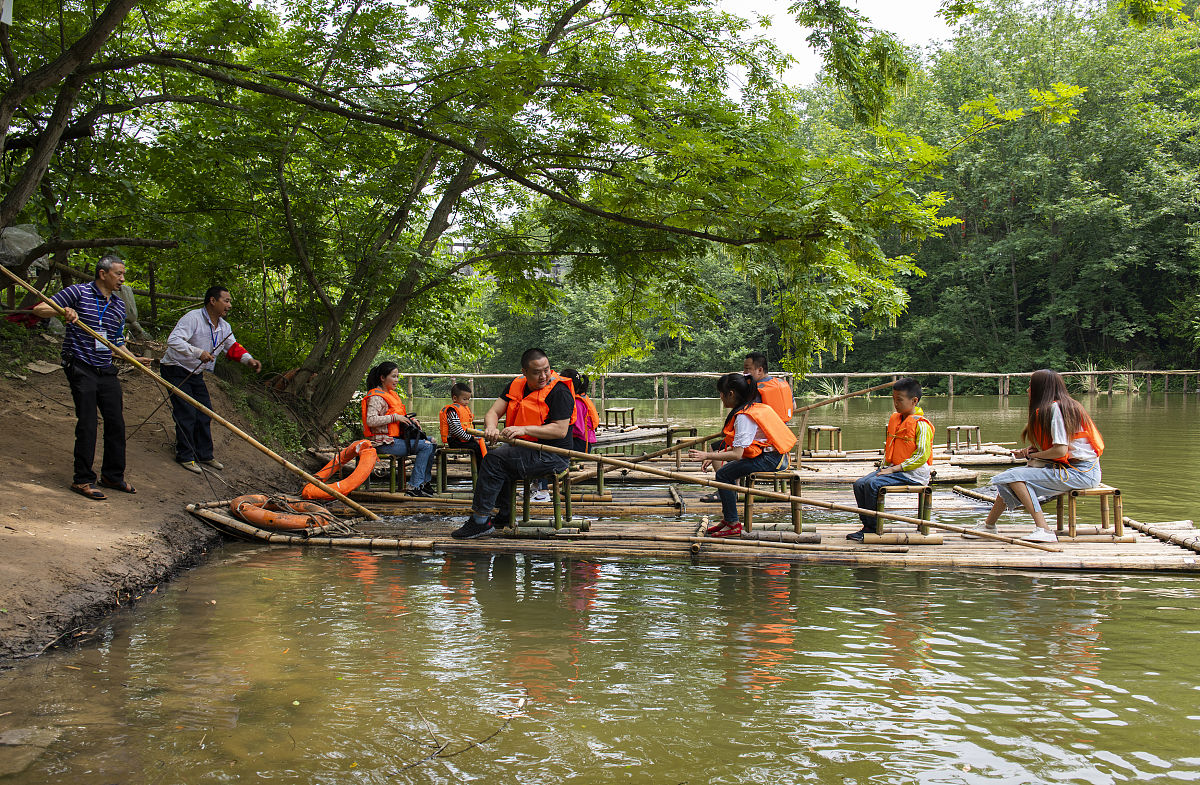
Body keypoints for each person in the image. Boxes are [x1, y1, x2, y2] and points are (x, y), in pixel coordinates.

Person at [32, 254, 137, 500]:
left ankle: (112, 476)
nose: (122, 279)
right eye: (118, 274)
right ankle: (82, 480)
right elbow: (40, 309)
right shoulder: (78, 292)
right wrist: (63, 311)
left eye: (123, 274)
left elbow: (116, 341)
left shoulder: (119, 305)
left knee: (116, 423)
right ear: (103, 274)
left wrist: (132, 357)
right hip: (80, 365)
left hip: (106, 368)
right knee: (88, 422)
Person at [963, 369, 1104, 544]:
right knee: (1011, 477)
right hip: (1075, 470)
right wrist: (1030, 452)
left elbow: (1060, 451)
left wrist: (1036, 454)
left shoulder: (1056, 409)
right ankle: (989, 525)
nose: (1028, 390)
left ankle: (1043, 529)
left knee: (1013, 477)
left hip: (1080, 473)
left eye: (1031, 386)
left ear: (1041, 389)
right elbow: (1059, 448)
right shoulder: (1064, 405)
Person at [452, 348, 576, 539]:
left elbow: (560, 430)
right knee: (500, 456)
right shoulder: (515, 385)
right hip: (524, 449)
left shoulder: (560, 391)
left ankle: (480, 520)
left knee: (495, 459)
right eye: (537, 372)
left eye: (547, 370)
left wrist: (524, 429)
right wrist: (491, 428)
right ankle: (504, 514)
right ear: (524, 372)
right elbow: (492, 413)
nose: (543, 376)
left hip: (553, 455)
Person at [160, 285, 262, 473]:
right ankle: (185, 455)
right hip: (175, 369)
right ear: (212, 301)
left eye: (230, 301)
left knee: (205, 411)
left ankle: (204, 454)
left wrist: (249, 360)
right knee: (187, 411)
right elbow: (173, 340)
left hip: (196, 373)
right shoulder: (193, 318)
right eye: (226, 300)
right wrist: (198, 353)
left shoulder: (224, 327)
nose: (229, 305)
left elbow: (232, 348)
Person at [687, 373, 796, 537]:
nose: (721, 398)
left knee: (723, 474)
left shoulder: (744, 416)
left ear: (730, 394)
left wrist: (705, 455)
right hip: (777, 457)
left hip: (771, 460)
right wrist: (713, 455)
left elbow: (737, 454)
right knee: (727, 473)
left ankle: (732, 523)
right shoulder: (754, 407)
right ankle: (729, 519)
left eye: (721, 394)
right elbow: (746, 447)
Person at [847, 378, 934, 542]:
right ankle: (867, 525)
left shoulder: (922, 425)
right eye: (894, 399)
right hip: (895, 469)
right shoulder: (897, 419)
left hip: (912, 474)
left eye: (899, 400)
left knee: (872, 485)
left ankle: (873, 529)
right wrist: (886, 468)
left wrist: (894, 469)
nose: (896, 404)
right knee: (859, 484)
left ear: (914, 400)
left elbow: (921, 456)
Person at [361, 362, 436, 496]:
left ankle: (424, 483)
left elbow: (398, 417)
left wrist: (411, 421)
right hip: (383, 443)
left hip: (396, 440)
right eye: (393, 376)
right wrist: (395, 418)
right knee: (426, 446)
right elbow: (370, 420)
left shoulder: (392, 395)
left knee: (432, 441)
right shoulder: (376, 397)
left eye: (397, 376)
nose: (396, 380)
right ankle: (414, 486)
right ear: (383, 378)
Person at [439, 381, 487, 461]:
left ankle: (485, 467)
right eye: (464, 399)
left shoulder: (465, 409)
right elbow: (457, 431)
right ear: (455, 398)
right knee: (477, 447)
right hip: (456, 441)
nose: (467, 402)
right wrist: (472, 438)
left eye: (468, 399)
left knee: (484, 446)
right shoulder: (452, 411)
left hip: (465, 439)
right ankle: (481, 470)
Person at [743, 351, 794, 422]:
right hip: (784, 429)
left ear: (760, 370)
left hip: (765, 431)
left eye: (747, 369)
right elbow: (794, 406)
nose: (744, 372)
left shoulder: (755, 389)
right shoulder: (783, 383)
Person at [562, 368, 598, 453]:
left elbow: (579, 430)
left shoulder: (577, 403)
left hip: (581, 444)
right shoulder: (581, 397)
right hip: (582, 441)